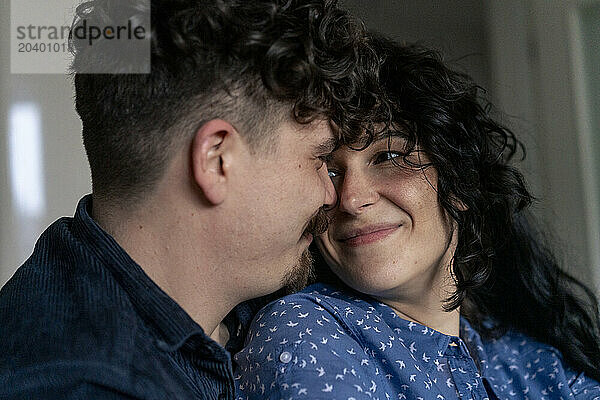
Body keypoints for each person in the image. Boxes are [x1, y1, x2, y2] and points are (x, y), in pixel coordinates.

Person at [0, 1, 386, 398]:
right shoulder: (82, 384)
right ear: (216, 161)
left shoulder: (252, 298)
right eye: (320, 158)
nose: (332, 194)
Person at [234, 36, 600, 399]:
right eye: (328, 171)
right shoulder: (304, 330)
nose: (351, 199)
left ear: (459, 182)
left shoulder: (534, 362)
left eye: (388, 157)